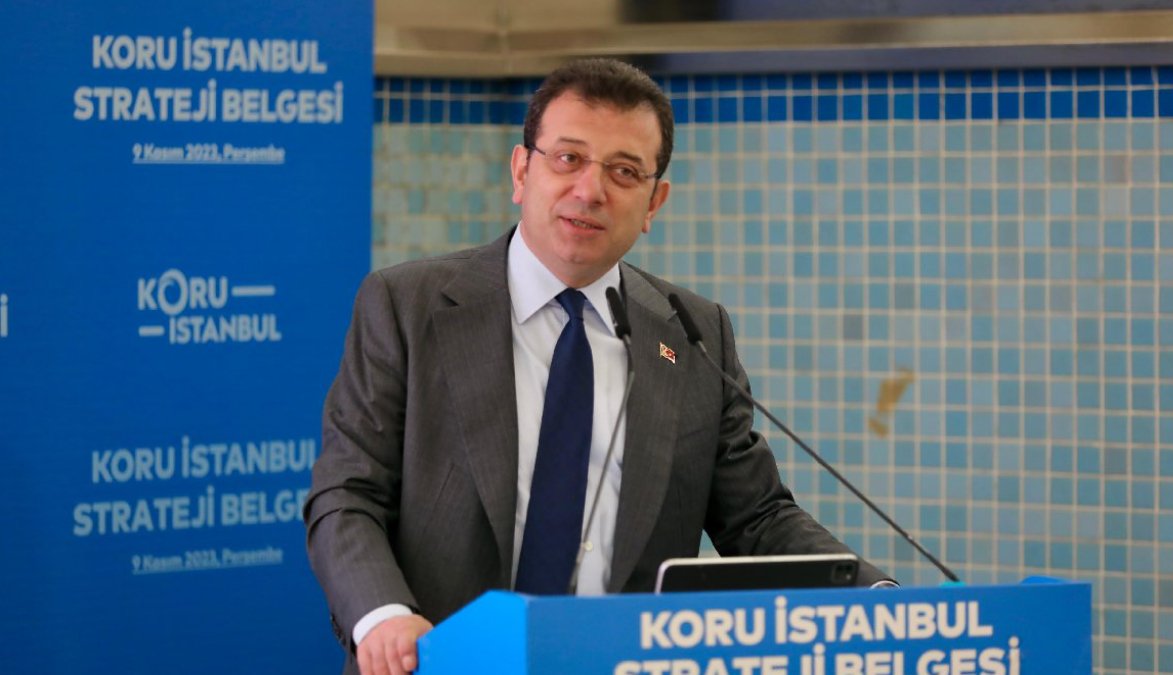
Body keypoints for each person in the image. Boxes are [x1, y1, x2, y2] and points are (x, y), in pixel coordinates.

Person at [304, 58, 894, 675]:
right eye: (568, 158)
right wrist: (383, 615)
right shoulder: (407, 306)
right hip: (441, 661)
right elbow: (347, 494)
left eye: (624, 171)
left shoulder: (694, 333)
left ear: (653, 201)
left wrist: (879, 603)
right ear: (521, 171)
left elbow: (758, 518)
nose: (590, 190)